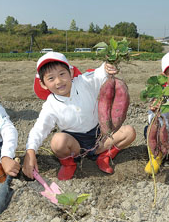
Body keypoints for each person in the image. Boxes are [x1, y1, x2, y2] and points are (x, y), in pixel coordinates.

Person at [22, 52, 136, 180]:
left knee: (129, 132)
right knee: (57, 141)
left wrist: (108, 65)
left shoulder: (84, 82)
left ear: (71, 73)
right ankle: (69, 164)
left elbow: (99, 73)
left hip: (100, 136)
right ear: (43, 84)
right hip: (74, 144)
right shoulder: (50, 105)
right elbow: (39, 129)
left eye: (62, 74)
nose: (58, 81)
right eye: (51, 78)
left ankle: (104, 155)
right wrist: (30, 151)